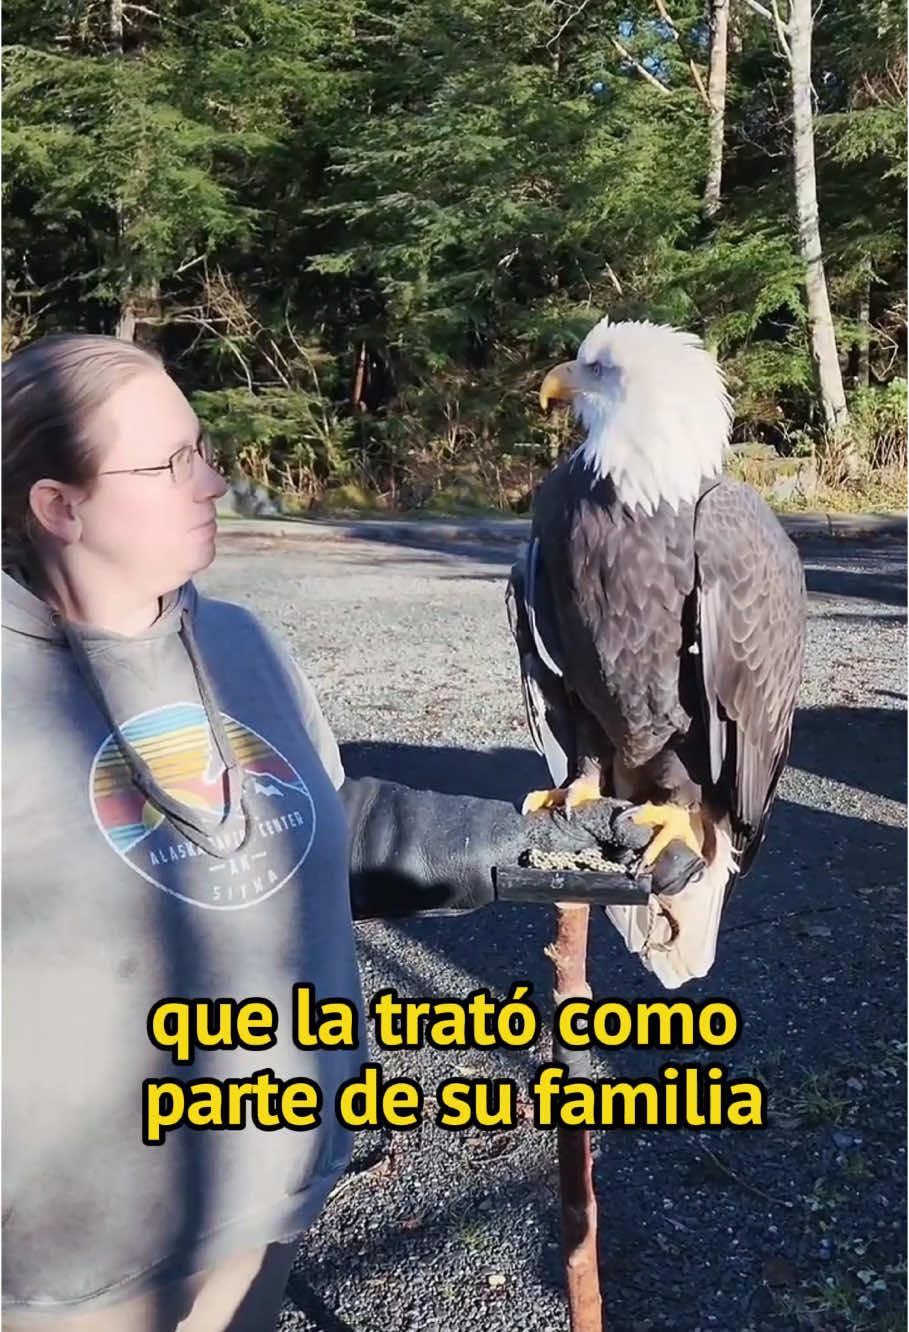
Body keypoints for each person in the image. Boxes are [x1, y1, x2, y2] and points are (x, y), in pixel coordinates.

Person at [1, 335, 670, 1331]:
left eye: (203, 448)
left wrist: (567, 849)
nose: (214, 482)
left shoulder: (237, 642)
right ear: (60, 507)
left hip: (267, 1213)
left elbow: (325, 826)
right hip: (75, 1275)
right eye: (170, 463)